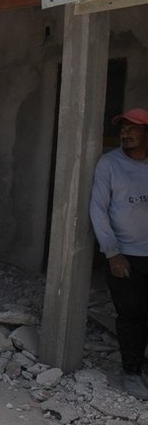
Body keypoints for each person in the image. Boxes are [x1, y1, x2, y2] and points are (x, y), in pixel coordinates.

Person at [90, 107, 148, 399]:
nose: (126, 133)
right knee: (131, 315)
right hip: (125, 255)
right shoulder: (109, 164)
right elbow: (98, 210)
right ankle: (132, 372)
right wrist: (112, 253)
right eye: (123, 128)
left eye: (133, 128)